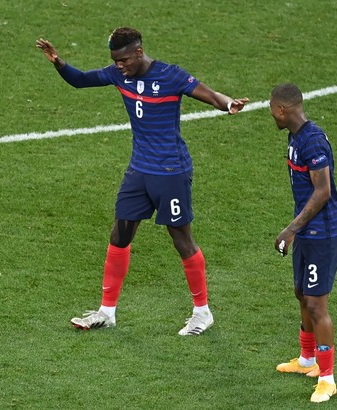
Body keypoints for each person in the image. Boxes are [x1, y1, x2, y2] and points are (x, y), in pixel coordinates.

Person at [37, 27, 249, 336]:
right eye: (115, 61)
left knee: (181, 239)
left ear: (138, 52)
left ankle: (202, 312)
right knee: (119, 234)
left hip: (171, 172)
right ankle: (107, 312)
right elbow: (81, 80)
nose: (119, 66)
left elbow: (208, 93)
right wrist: (58, 62)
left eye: (123, 60)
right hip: (139, 171)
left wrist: (227, 103)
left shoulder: (170, 75)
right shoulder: (118, 75)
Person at [269, 83, 337, 402]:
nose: (271, 115)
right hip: (308, 231)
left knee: (316, 303)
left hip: (323, 231)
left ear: (281, 110)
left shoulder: (312, 142)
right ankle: (307, 360)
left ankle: (327, 379)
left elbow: (322, 191)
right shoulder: (296, 136)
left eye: (272, 109)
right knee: (302, 293)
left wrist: (291, 229)